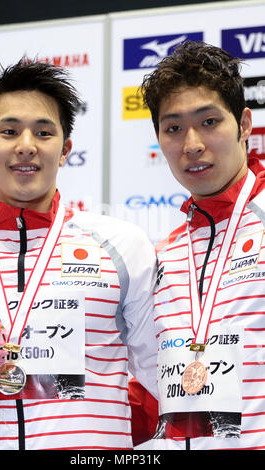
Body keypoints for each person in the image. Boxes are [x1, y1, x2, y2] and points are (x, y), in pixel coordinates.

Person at [0, 59, 158, 450]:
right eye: (9, 130)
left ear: (65, 148)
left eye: (43, 132)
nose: (26, 145)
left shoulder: (121, 244)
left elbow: (162, 378)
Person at [129, 40, 265, 450]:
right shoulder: (163, 254)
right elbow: (152, 388)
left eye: (208, 122)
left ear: (244, 124)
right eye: (173, 128)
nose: (192, 144)